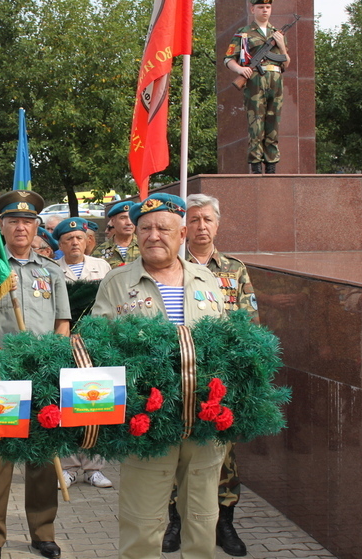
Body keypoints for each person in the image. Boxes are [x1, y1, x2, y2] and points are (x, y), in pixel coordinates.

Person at [91, 193, 227, 559]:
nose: (154, 235)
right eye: (146, 228)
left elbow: (230, 339)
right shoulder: (117, 282)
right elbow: (99, 345)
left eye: (163, 228)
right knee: (142, 519)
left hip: (204, 416)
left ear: (182, 233)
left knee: (202, 516)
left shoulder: (207, 279)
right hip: (147, 418)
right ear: (135, 234)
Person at [159, 193, 259, 556]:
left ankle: (224, 524)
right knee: (174, 450)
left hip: (219, 375)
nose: (201, 226)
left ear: (217, 224)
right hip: (177, 376)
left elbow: (249, 321)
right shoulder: (170, 265)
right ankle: (175, 522)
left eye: (208, 220)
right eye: (195, 219)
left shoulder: (233, 269)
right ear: (184, 227)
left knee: (223, 454)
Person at [0, 190, 71, 559]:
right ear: (1, 226)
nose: (21, 226)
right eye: (14, 220)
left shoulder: (51, 271)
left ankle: (43, 533)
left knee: (43, 461)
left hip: (42, 376)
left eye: (28, 221)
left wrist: (53, 363)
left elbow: (62, 321)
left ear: (37, 227)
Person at [51, 217, 112, 489]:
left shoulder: (103, 268)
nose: (74, 243)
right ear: (60, 244)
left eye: (78, 238)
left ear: (87, 241)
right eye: (68, 239)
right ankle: (70, 466)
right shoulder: (52, 269)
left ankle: (94, 467)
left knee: (95, 402)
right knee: (67, 402)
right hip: (64, 343)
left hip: (95, 344)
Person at [225, 0, 290, 175]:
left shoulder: (277, 33)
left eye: (268, 7)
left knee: (273, 123)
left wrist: (281, 44)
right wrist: (240, 69)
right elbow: (229, 58)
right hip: (255, 81)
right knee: (256, 124)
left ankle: (271, 166)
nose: (265, 10)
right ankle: (255, 165)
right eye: (261, 7)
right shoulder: (244, 33)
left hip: (275, 81)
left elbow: (286, 62)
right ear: (253, 9)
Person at [94, 201, 140, 268]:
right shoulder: (99, 251)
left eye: (131, 218)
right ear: (113, 221)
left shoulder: (145, 246)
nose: (129, 223)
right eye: (123, 218)